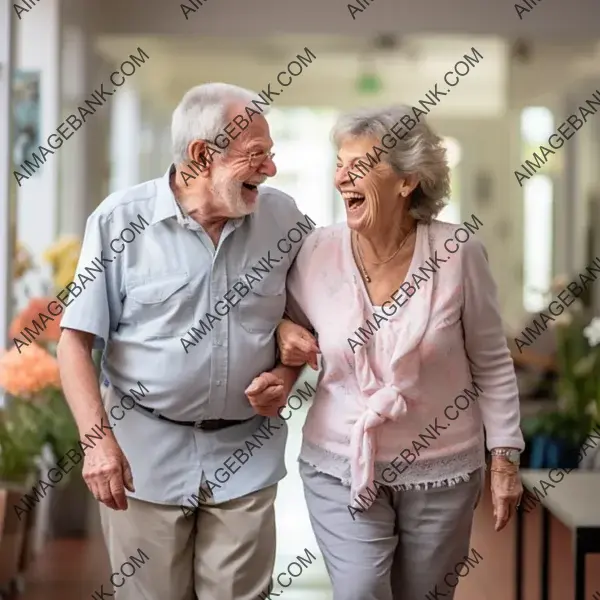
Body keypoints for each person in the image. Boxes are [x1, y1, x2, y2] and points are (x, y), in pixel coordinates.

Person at [56, 83, 308, 600]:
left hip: (246, 455)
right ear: (201, 155)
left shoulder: (285, 220)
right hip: (142, 459)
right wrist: (96, 441)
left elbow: (306, 325)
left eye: (271, 154)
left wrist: (285, 376)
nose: (270, 170)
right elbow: (74, 344)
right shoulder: (119, 222)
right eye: (256, 155)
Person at [275, 105, 525, 600]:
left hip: (443, 469)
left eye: (359, 166)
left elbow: (492, 364)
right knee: (360, 590)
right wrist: (284, 328)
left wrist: (504, 462)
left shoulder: (458, 253)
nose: (341, 177)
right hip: (340, 461)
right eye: (339, 163)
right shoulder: (315, 252)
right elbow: (284, 322)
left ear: (407, 181)